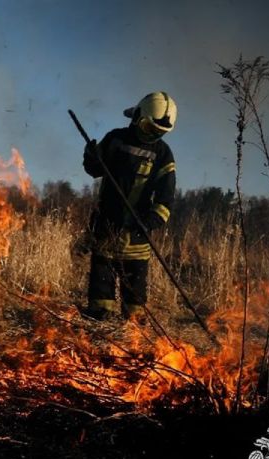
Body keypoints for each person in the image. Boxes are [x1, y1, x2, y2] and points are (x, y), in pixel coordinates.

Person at [81, 92, 177, 322]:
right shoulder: (116, 139)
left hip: (137, 232)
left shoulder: (163, 154)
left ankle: (132, 326)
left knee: (134, 285)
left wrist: (150, 222)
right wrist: (92, 156)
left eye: (158, 132)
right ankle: (99, 318)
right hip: (106, 224)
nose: (152, 135)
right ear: (137, 117)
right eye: (149, 127)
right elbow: (95, 170)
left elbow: (165, 199)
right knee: (101, 276)